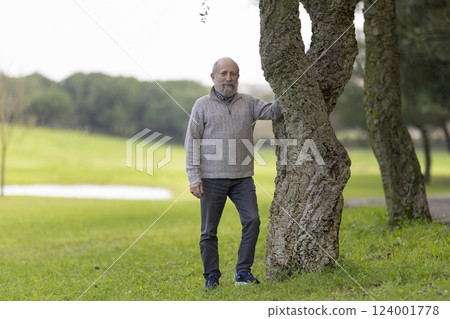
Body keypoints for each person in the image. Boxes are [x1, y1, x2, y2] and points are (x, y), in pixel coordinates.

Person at [185, 57, 281, 290]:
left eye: (234, 74)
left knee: (253, 221)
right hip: (211, 179)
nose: (229, 78)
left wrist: (282, 85)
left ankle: (243, 272)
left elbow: (274, 112)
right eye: (224, 73)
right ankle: (212, 277)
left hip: (242, 179)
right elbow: (192, 142)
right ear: (213, 77)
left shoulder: (248, 102)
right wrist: (194, 178)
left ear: (238, 78)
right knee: (209, 231)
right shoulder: (201, 105)